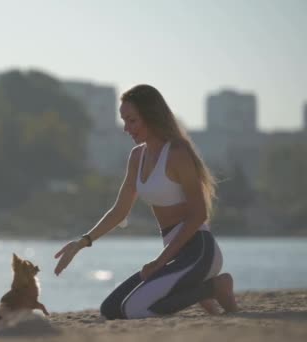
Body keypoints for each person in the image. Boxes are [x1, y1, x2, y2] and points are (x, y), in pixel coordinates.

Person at [53, 84, 239, 319]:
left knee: (135, 309)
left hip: (199, 251)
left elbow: (199, 214)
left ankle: (215, 287)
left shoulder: (177, 153)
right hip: (175, 255)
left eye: (132, 120)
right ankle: (198, 292)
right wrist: (82, 242)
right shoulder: (137, 157)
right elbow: (119, 211)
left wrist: (160, 262)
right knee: (110, 309)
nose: (126, 128)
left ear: (150, 115)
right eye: (124, 120)